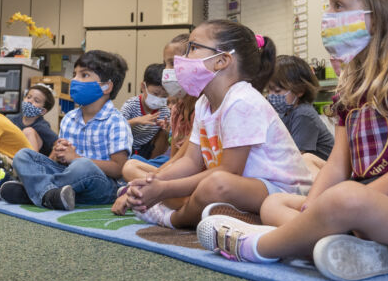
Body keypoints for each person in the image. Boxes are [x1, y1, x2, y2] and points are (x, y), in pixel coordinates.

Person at [197, 0, 388, 281]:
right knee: (275, 204)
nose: (329, 16)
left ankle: (262, 246)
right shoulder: (350, 90)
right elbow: (339, 164)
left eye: (338, 6)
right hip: (362, 214)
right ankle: (350, 248)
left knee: (344, 198)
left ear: (379, 16)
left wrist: (355, 200)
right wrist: (313, 204)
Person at [123, 20, 313, 229]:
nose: (182, 58)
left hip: (282, 192)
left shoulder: (241, 100)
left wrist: (164, 189)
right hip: (244, 188)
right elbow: (190, 161)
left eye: (193, 48)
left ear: (222, 60)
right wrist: (151, 183)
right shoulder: (205, 103)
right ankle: (234, 215)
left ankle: (172, 219)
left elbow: (230, 171)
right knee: (193, 184)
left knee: (215, 184)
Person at [1, 50, 133, 210]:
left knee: (82, 166)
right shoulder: (69, 118)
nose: (74, 80)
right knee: (23, 155)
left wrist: (76, 157)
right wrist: (58, 154)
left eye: (84, 75)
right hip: (67, 176)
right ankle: (52, 195)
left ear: (106, 86)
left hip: (102, 186)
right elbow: (59, 161)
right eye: (75, 74)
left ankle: (34, 191)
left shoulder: (116, 122)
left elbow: (119, 169)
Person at [112, 34, 195, 215]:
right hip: (172, 169)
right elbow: (173, 158)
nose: (167, 70)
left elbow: (186, 161)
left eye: (173, 63)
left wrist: (140, 186)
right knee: (130, 166)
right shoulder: (176, 110)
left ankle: (153, 196)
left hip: (193, 174)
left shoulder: (200, 107)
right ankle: (156, 195)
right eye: (166, 64)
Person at [267, 55, 334, 161]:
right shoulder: (284, 113)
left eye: (277, 91)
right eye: (269, 91)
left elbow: (295, 158)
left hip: (323, 171)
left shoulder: (304, 114)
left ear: (300, 90)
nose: (271, 96)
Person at [120, 63, 170, 161]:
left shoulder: (164, 110)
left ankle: (152, 163)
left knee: (164, 133)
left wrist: (167, 127)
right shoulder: (131, 105)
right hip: (129, 146)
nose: (159, 99)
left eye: (164, 96)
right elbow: (117, 126)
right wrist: (136, 121)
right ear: (143, 87)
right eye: (155, 93)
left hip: (148, 148)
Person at [8, 84, 58, 156]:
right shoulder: (14, 120)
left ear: (42, 111)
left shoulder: (42, 126)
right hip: (15, 156)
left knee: (28, 131)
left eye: (36, 101)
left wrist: (50, 161)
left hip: (36, 162)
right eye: (28, 97)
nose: (30, 101)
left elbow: (57, 143)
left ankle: (32, 165)